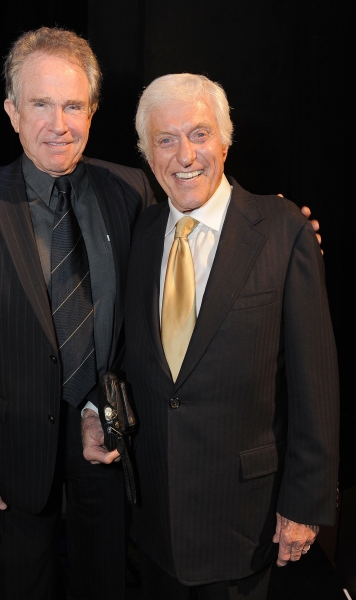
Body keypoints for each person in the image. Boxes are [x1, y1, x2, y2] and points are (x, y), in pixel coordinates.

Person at [85, 73, 339, 600]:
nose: (185, 156)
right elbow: (125, 354)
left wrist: (305, 504)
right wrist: (96, 411)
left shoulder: (282, 228)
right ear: (146, 153)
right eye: (165, 140)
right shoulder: (142, 233)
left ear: (225, 139)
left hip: (247, 523)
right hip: (155, 522)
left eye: (199, 135)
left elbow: (316, 382)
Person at [0, 27, 154, 600]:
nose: (60, 124)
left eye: (73, 105)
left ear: (93, 110)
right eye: (41, 104)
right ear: (11, 112)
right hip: (11, 455)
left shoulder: (131, 191)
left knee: (108, 582)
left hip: (104, 434)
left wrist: (279, 229)